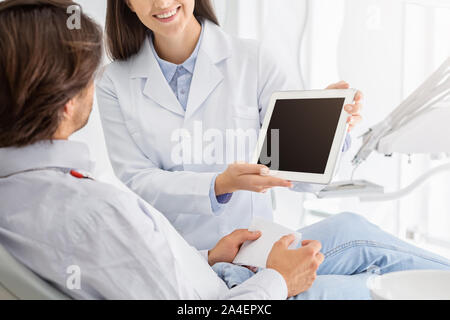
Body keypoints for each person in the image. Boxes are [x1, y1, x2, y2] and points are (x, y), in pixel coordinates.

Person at [1, 0, 450, 301]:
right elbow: (138, 181)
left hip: (232, 252)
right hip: (232, 283)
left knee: (355, 230)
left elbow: (298, 167)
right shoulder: (113, 100)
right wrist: (222, 189)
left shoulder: (253, 59)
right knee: (380, 284)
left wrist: (334, 130)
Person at [97, 0, 362, 250]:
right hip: (175, 257)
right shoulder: (114, 83)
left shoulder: (253, 59)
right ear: (128, 3)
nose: (163, 3)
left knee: (359, 237)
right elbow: (138, 180)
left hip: (255, 249)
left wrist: (325, 126)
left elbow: (293, 173)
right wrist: (218, 184)